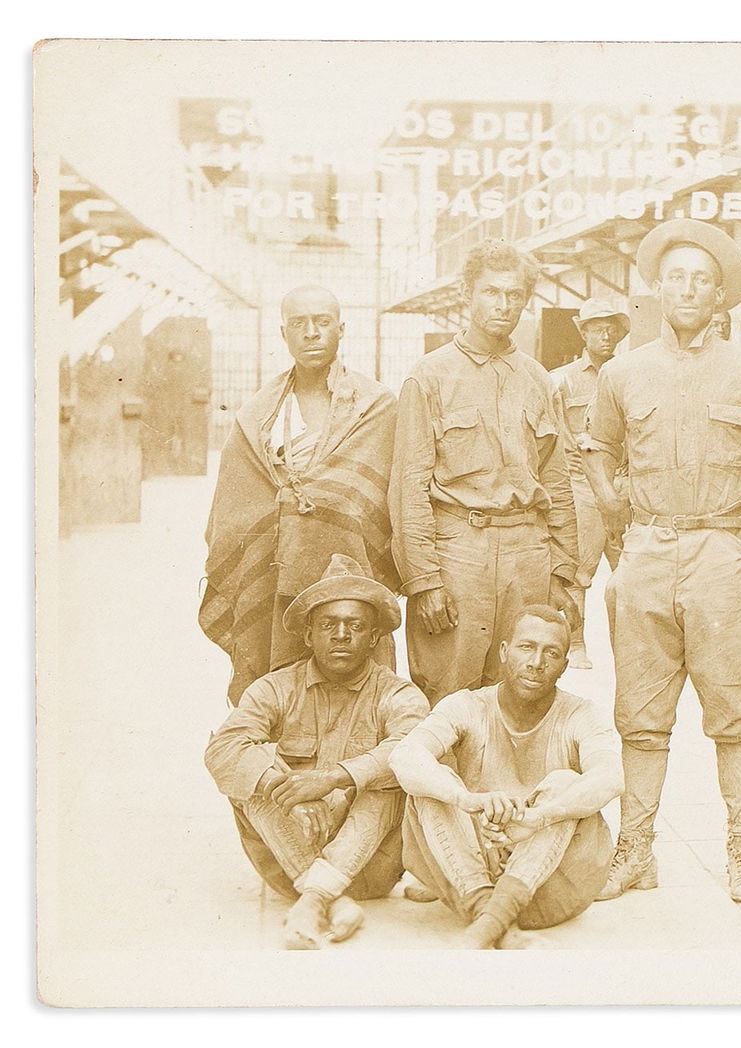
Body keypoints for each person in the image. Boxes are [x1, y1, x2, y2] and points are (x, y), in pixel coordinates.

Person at [582, 219, 741, 904]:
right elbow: (597, 448)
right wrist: (614, 513)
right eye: (676, 277)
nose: (687, 289)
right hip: (649, 551)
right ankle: (634, 853)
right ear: (658, 288)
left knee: (734, 714)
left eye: (702, 280)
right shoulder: (622, 371)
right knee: (640, 715)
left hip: (724, 552)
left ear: (722, 296)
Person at [204, 554, 429, 949]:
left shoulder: (398, 694)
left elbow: (412, 748)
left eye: (355, 626)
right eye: (328, 625)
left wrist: (333, 777)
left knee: (394, 774)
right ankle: (329, 898)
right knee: (252, 770)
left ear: (374, 638)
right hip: (289, 858)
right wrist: (285, 792)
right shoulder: (276, 688)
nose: (341, 635)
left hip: (372, 864)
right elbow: (223, 748)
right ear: (308, 636)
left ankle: (314, 902)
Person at [390, 239, 580, 704]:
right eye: (492, 292)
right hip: (458, 557)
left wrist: (563, 573)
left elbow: (556, 483)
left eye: (515, 295)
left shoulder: (539, 379)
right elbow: (408, 488)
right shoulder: (429, 377)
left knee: (521, 694)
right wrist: (424, 580)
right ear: (467, 294)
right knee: (445, 694)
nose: (504, 305)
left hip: (527, 555)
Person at [200, 285, 399, 703]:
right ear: (283, 333)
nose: (312, 333)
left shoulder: (376, 406)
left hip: (350, 574)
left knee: (361, 694)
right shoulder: (256, 415)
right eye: (299, 324)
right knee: (278, 694)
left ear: (341, 329)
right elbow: (233, 509)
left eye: (323, 322)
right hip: (273, 576)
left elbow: (383, 498)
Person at [391, 605, 624, 949]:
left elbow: (611, 777)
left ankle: (488, 921)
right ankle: (494, 918)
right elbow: (405, 756)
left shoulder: (581, 713)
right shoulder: (467, 705)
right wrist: (466, 798)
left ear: (563, 665)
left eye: (551, 653)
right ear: (504, 651)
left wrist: (538, 817)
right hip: (472, 873)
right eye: (526, 647)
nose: (536, 662)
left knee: (565, 783)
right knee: (433, 784)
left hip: (547, 885)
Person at [551, 297, 630, 670]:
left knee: (632, 572)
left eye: (611, 328)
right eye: (597, 327)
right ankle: (576, 645)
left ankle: (630, 651)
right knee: (578, 573)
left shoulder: (630, 375)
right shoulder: (561, 381)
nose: (605, 334)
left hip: (624, 484)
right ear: (582, 331)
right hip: (580, 485)